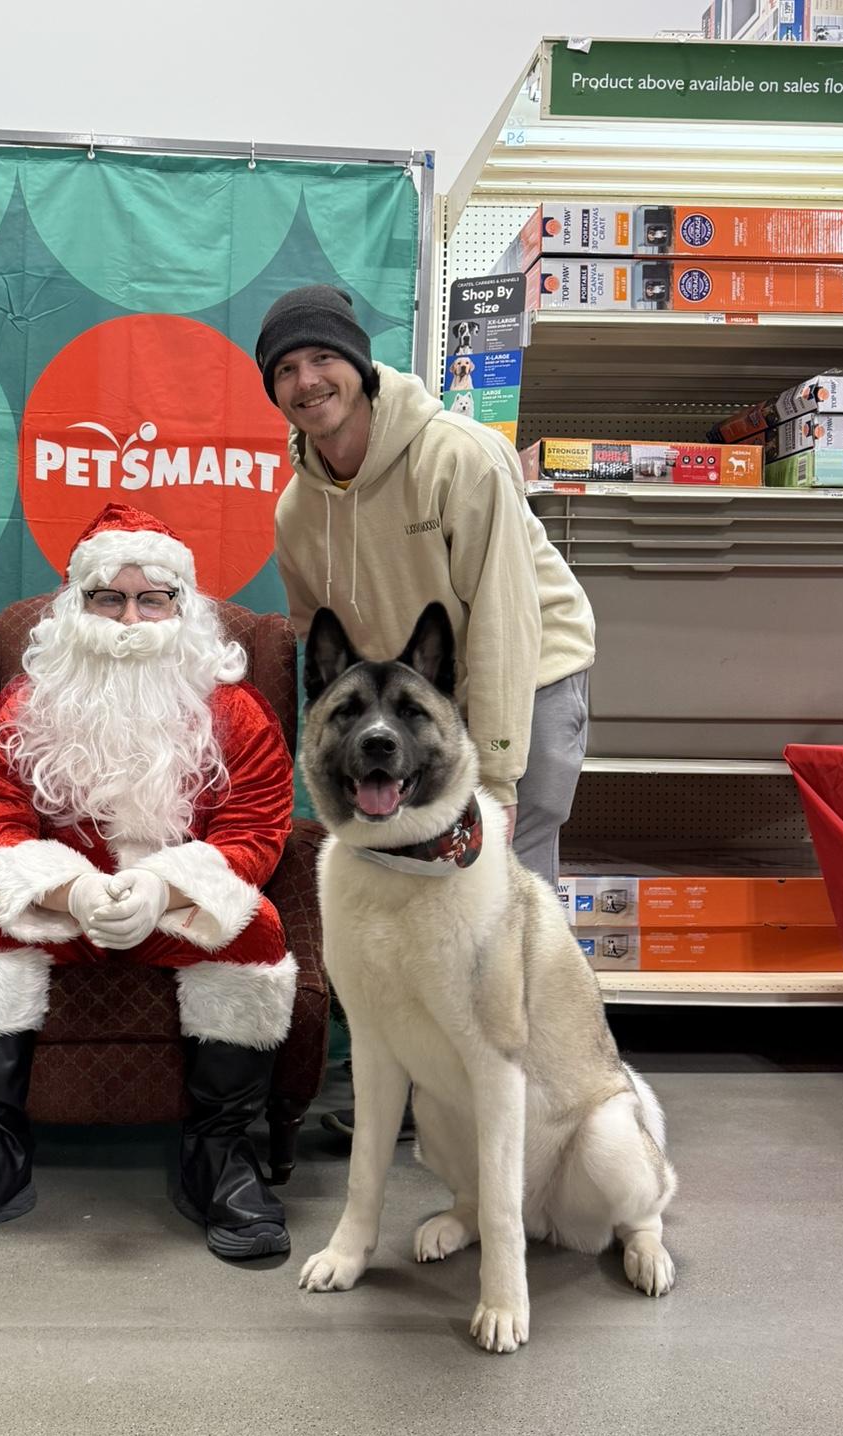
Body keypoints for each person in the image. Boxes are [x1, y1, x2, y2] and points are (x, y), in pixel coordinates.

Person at [0, 501, 296, 1260]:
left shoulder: (236, 713)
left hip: (175, 912)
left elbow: (256, 830)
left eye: (152, 599)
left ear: (183, 606)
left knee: (257, 929)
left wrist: (164, 890)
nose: (130, 620)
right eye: (109, 598)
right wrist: (70, 891)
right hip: (65, 910)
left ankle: (218, 1154)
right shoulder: (23, 707)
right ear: (76, 607)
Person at [256, 285, 596, 1135]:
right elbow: (321, 652)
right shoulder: (296, 511)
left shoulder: (460, 458)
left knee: (508, 903)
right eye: (286, 370)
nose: (307, 382)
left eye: (323, 359)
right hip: (406, 719)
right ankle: (416, 1098)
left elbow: (506, 617)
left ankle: (538, 1107)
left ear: (360, 366)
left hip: (524, 678)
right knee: (408, 905)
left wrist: (499, 772)